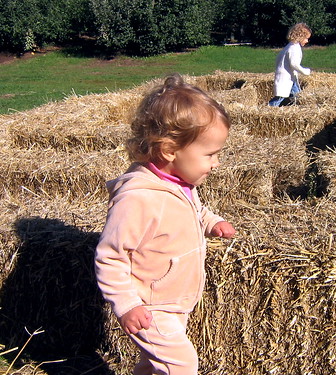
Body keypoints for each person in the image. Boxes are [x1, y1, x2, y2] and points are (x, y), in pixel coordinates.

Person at [95, 73, 236, 375]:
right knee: (182, 364)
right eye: (210, 154)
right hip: (148, 305)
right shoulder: (138, 199)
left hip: (174, 302)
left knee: (153, 366)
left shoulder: (180, 184)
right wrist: (125, 304)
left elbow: (194, 211)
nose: (216, 163)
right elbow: (110, 256)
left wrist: (212, 222)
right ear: (170, 150)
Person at [268, 22, 312, 107]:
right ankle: (268, 108)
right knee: (280, 97)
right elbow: (294, 64)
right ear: (300, 37)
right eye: (306, 38)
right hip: (286, 77)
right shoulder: (293, 48)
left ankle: (300, 109)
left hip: (291, 77)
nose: (307, 41)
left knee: (298, 96)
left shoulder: (290, 46)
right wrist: (305, 71)